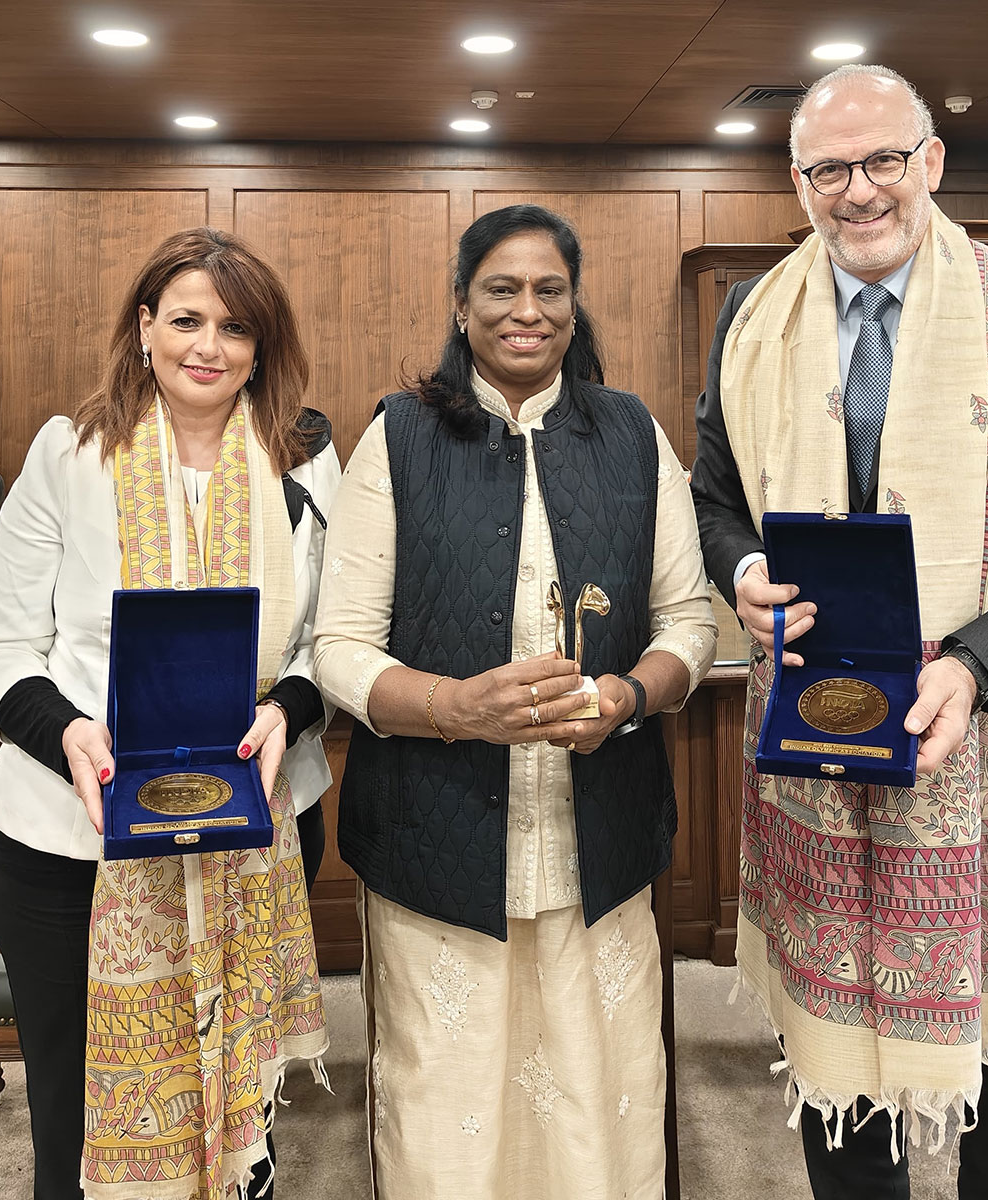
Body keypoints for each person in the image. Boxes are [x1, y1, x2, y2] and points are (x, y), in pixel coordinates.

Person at [690, 65, 988, 1198]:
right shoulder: (753, 313)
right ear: (796, 182)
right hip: (815, 739)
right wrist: (742, 568)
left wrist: (978, 666)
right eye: (828, 168)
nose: (858, 191)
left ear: (930, 163)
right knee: (837, 1065)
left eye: (882, 159)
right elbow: (710, 498)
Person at [312, 203, 717, 1198]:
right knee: (447, 1106)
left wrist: (626, 695)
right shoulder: (398, 436)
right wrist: (458, 708)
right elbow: (339, 650)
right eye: (500, 288)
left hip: (601, 836)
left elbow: (692, 625)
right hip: (435, 839)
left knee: (596, 1095)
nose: (524, 309)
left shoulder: (629, 433)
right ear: (461, 305)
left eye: (548, 289)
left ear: (574, 308)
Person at [0, 226, 339, 1200]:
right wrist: (69, 737)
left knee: (242, 1119)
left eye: (235, 327)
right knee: (79, 1135)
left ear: (262, 347)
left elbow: (325, 648)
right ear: (143, 328)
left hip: (247, 833)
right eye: (185, 319)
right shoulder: (69, 452)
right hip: (67, 850)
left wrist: (289, 711)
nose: (207, 346)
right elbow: (3, 652)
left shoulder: (303, 466)